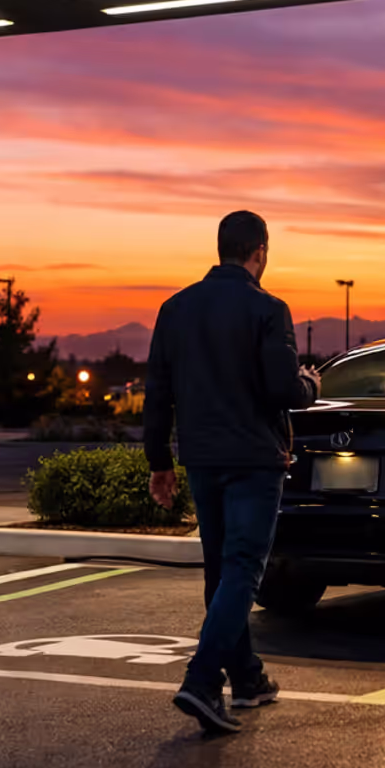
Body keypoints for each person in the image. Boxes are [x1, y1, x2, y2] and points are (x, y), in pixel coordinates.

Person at [144, 209, 318, 733]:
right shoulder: (269, 309)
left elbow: (157, 395)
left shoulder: (174, 309)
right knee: (243, 567)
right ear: (259, 252)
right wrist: (310, 383)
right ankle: (201, 681)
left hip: (201, 459)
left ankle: (246, 677)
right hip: (254, 460)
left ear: (221, 249)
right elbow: (283, 389)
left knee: (221, 570)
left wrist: (159, 462)